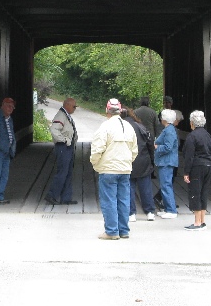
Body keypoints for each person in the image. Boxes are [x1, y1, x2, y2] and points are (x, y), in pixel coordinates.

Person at [90, 99, 138, 239]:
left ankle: (111, 231)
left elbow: (97, 149)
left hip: (108, 169)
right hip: (125, 169)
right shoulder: (129, 127)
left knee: (109, 200)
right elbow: (134, 150)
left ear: (107, 111)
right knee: (123, 200)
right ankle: (124, 230)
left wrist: (95, 163)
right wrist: (128, 162)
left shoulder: (105, 127)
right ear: (120, 110)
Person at [181, 110, 211, 231]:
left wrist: (186, 172)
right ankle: (203, 221)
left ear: (192, 123)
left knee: (195, 192)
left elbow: (189, 155)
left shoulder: (192, 136)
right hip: (208, 165)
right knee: (204, 192)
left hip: (197, 167)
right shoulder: (207, 135)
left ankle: (197, 222)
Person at [122, 108, 156, 222]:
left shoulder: (121, 127)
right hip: (143, 160)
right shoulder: (140, 126)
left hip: (127, 161)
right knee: (145, 188)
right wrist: (152, 160)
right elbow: (150, 143)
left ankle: (131, 213)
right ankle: (150, 212)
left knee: (129, 188)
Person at [46, 97, 79, 205]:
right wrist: (64, 140)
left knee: (68, 173)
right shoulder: (61, 115)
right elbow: (54, 129)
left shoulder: (65, 115)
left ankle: (66, 197)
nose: (75, 109)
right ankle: (51, 195)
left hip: (68, 147)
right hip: (63, 147)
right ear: (67, 105)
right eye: (74, 106)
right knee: (62, 172)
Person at [154, 108, 180, 219]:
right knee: (165, 185)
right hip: (165, 161)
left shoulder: (169, 131)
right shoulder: (169, 129)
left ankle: (171, 210)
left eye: (162, 117)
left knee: (166, 185)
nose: (160, 119)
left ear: (164, 119)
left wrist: (157, 147)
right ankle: (167, 208)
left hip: (167, 162)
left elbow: (168, 147)